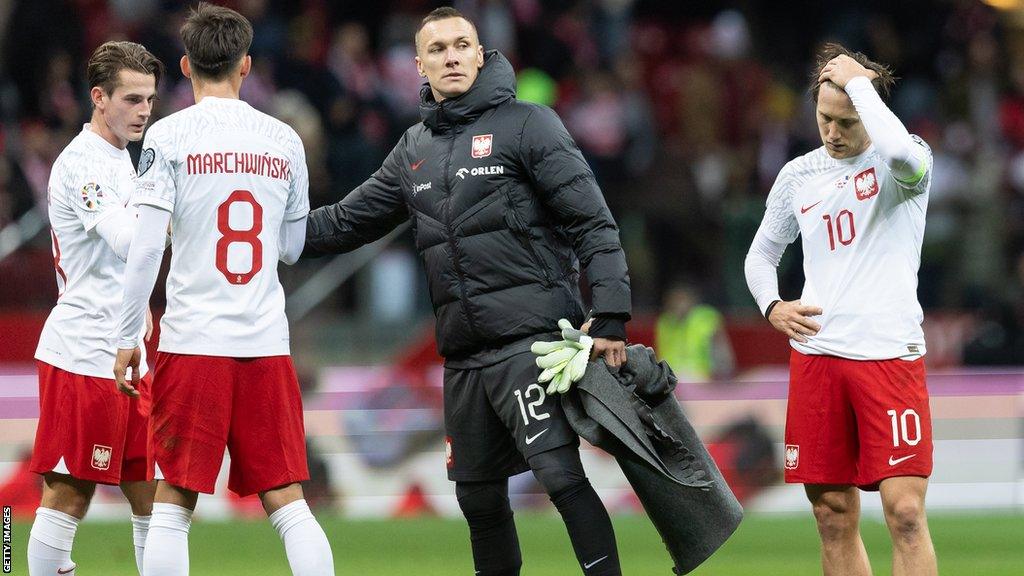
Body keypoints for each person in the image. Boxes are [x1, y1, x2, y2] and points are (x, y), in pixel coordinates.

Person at [304, 7, 631, 575]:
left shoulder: (530, 124)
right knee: (478, 498)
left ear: (482, 55)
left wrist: (611, 314)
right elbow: (341, 224)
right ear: (419, 65)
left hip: (532, 344)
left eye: (461, 45)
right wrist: (261, 224)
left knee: (560, 477)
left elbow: (593, 223)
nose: (451, 56)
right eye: (438, 49)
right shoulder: (412, 150)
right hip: (463, 357)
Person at [111, 4, 333, 575]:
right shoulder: (283, 139)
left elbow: (145, 246)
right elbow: (291, 246)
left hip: (193, 343)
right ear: (246, 65)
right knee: (288, 503)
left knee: (174, 503)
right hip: (264, 342)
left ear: (185, 66)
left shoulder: (168, 136)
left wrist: (128, 332)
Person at [744, 43, 937, 576]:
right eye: (824, 118)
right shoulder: (798, 176)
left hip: (888, 358)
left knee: (904, 514)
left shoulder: (906, 161)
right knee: (831, 516)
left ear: (870, 108)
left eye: (847, 120)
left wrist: (859, 85)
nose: (833, 132)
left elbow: (897, 151)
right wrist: (772, 305)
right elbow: (761, 255)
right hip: (818, 358)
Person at [28, 40, 163, 576]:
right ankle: (19, 566)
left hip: (130, 352)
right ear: (98, 97)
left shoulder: (125, 162)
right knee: (68, 494)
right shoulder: (82, 165)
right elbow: (130, 241)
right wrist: (178, 215)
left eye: (150, 99)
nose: (144, 111)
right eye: (131, 99)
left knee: (155, 497)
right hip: (83, 353)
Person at [654, 281, 735, 381]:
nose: (679, 305)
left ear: (692, 300)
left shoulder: (706, 318)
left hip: (700, 377)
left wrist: (721, 378)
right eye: (675, 301)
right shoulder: (664, 322)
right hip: (670, 377)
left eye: (682, 300)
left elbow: (723, 355)